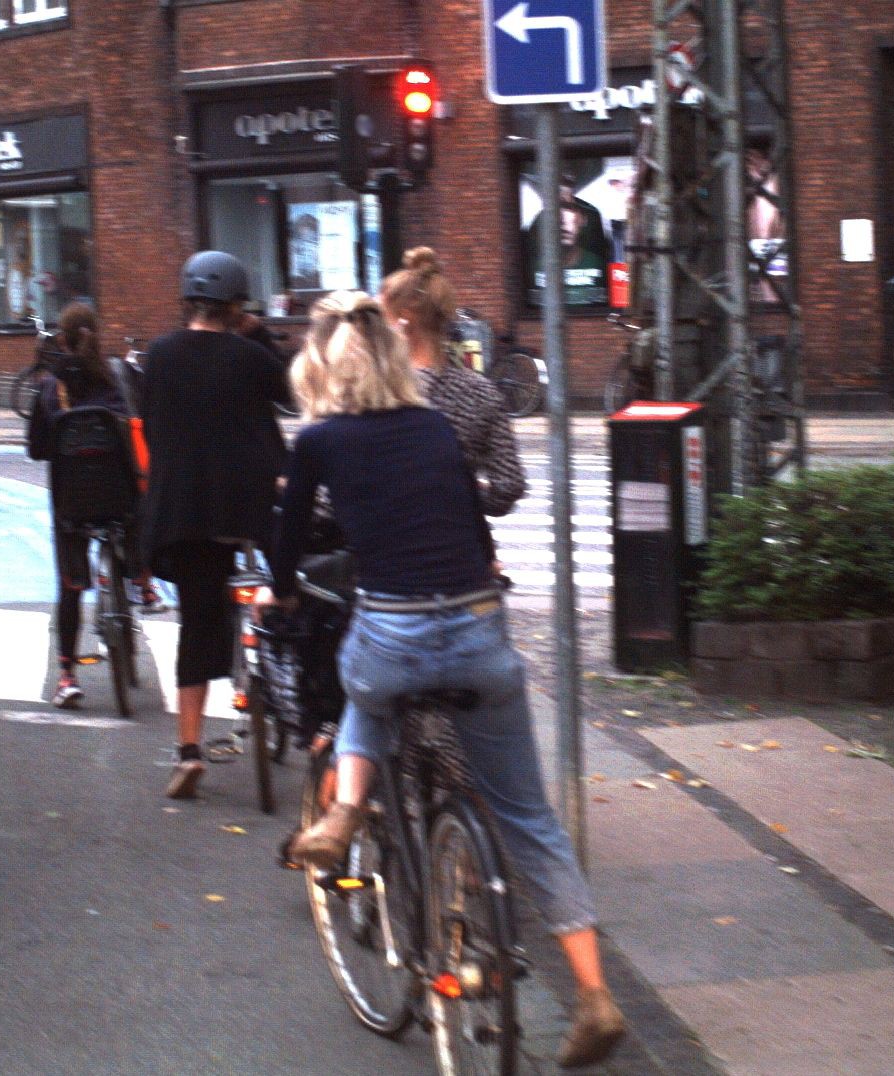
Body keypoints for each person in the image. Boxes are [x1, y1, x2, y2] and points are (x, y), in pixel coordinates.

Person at [275, 291, 625, 1068]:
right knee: (529, 819)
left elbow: (289, 539)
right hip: (477, 631)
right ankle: (595, 994)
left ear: (323, 366)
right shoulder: (435, 426)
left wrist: (281, 591)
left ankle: (345, 810)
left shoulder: (320, 440)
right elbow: (472, 524)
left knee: (364, 681)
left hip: (392, 636)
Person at [140, 250, 290, 798]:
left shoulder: (159, 356)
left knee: (197, 624)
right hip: (251, 505)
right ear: (237, 305)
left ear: (188, 300)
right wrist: (259, 336)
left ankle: (189, 750)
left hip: (185, 512)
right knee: (293, 588)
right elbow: (292, 396)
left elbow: (151, 427)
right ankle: (308, 712)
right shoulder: (251, 357)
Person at [26, 302, 139, 709]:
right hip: (118, 499)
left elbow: (36, 450)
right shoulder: (115, 379)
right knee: (133, 513)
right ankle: (139, 580)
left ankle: (67, 676)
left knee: (70, 587)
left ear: (62, 339)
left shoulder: (49, 388)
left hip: (71, 505)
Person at [378, 246, 526, 518]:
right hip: (459, 535)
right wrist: (464, 495)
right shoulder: (481, 391)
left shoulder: (378, 391)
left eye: (382, 319)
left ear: (403, 318)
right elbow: (508, 486)